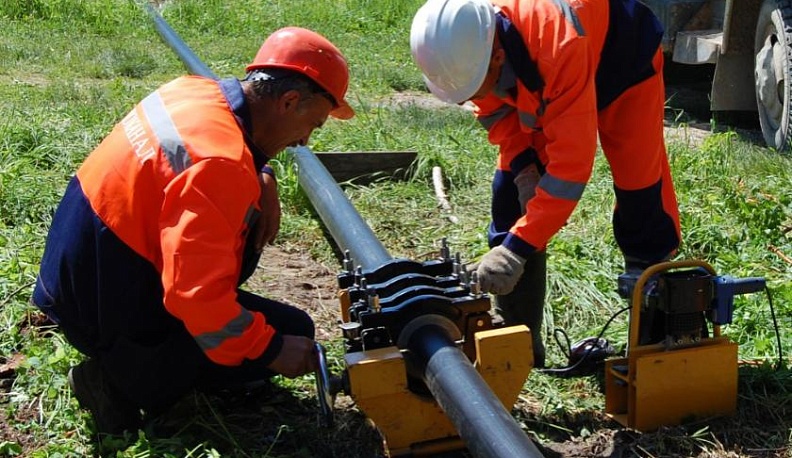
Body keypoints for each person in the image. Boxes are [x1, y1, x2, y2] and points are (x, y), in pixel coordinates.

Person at [31, 26, 354, 436]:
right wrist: (269, 349)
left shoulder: (194, 91)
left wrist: (263, 173)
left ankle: (145, 356)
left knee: (279, 320)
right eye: (314, 124)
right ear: (289, 101)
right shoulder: (220, 165)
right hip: (97, 305)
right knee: (290, 334)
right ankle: (118, 383)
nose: (305, 140)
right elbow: (196, 300)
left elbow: (201, 160)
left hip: (79, 269)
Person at [410, 0, 681, 367]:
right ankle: (520, 345)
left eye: (476, 88)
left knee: (641, 188)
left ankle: (658, 342)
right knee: (508, 195)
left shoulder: (557, 47)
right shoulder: (471, 40)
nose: (475, 99)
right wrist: (524, 171)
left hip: (622, 59)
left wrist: (515, 251)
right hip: (546, 60)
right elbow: (498, 114)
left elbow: (570, 171)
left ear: (496, 58)